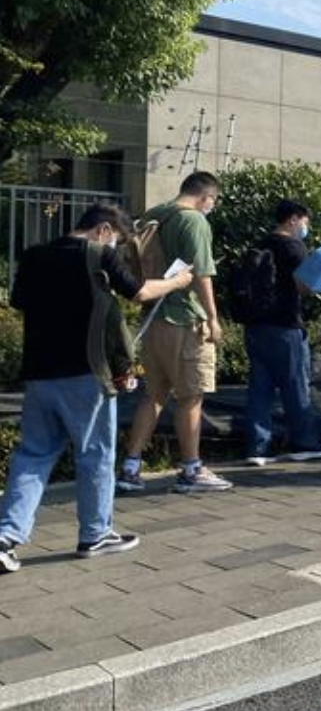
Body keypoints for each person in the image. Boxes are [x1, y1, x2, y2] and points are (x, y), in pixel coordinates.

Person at [1, 204, 195, 572]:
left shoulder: (33, 256)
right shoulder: (98, 254)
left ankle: (5, 536)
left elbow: (20, 302)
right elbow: (139, 292)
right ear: (103, 230)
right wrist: (177, 282)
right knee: (95, 454)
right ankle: (95, 533)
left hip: (39, 373)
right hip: (87, 373)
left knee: (33, 455)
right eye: (117, 241)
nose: (116, 248)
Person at [119, 172, 230, 495]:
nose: (211, 207)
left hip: (153, 317)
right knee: (191, 396)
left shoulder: (155, 214)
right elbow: (202, 274)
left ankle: (130, 467)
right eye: (213, 201)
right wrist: (213, 318)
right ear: (206, 197)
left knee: (153, 394)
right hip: (184, 319)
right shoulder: (194, 221)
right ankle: (192, 469)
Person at [241, 200, 321, 466]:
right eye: (305, 221)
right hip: (285, 326)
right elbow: (305, 287)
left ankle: (258, 448)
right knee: (295, 385)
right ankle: (305, 442)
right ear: (293, 219)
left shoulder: (259, 243)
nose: (305, 227)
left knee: (260, 388)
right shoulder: (294, 246)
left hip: (255, 325)